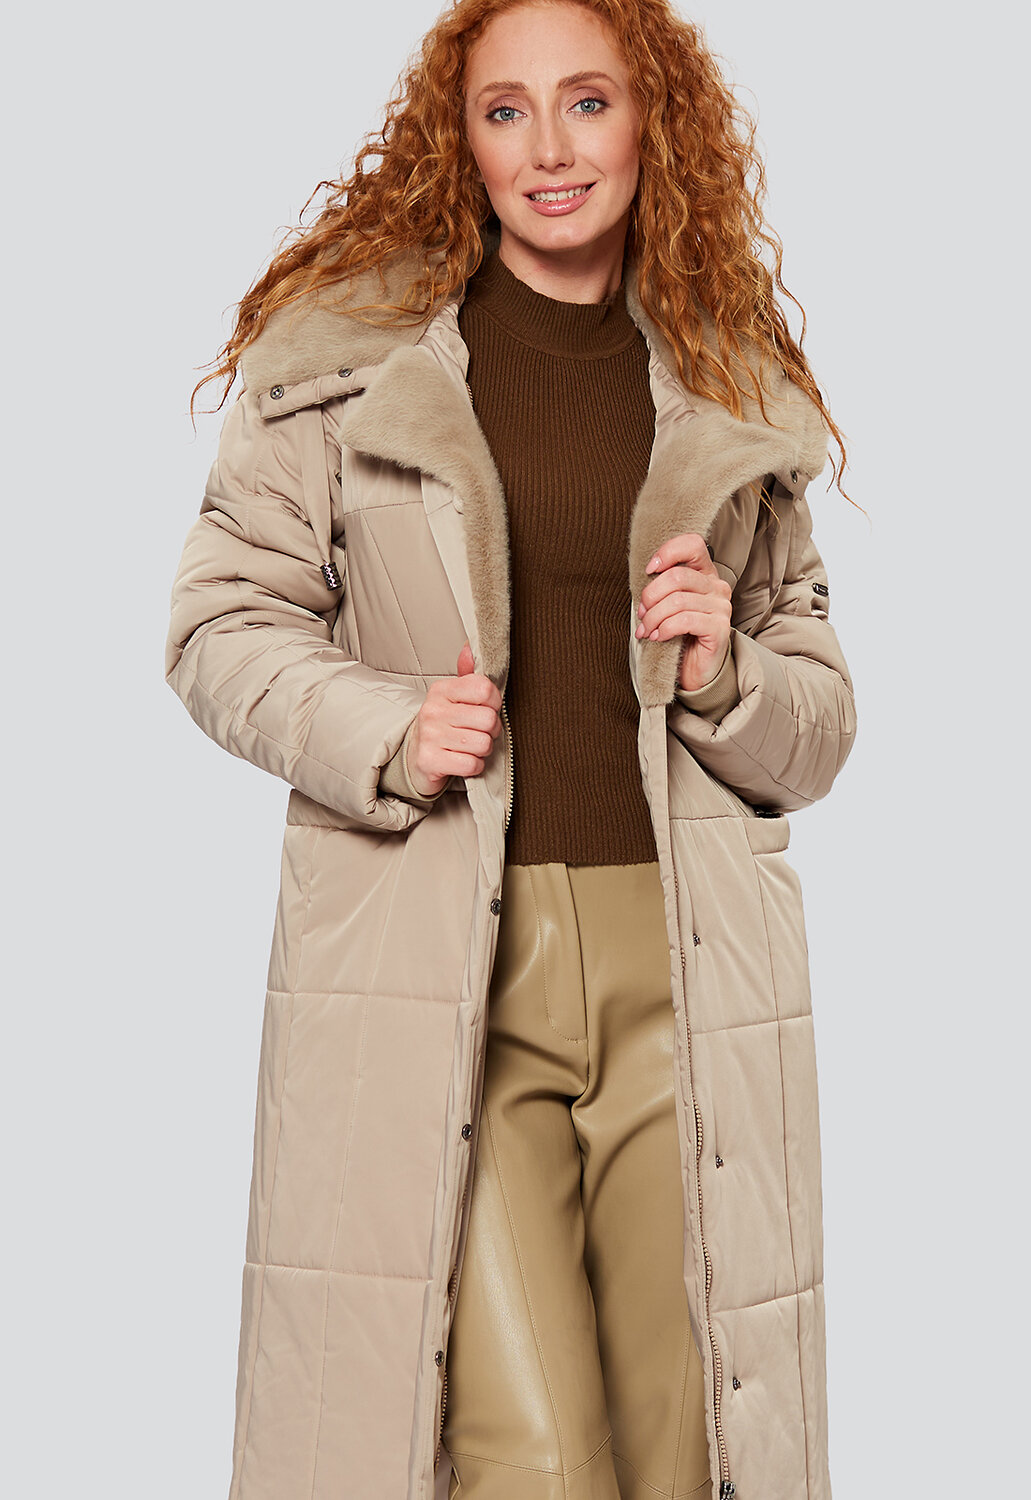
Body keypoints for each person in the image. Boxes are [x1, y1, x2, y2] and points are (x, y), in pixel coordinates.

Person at [164, 1, 858, 1497]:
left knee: (692, 1452)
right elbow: (217, 627)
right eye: (505, 110)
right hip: (448, 968)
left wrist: (730, 670)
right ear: (459, 139)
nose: (549, 147)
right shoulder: (344, 365)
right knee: (532, 1461)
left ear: (651, 119)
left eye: (588, 101)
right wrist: (388, 727)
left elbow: (817, 725)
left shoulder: (730, 380)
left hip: (691, 971)